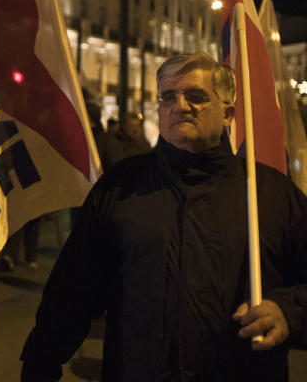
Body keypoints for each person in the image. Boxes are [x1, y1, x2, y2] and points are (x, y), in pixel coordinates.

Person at [21, 51, 307, 380]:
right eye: (168, 96)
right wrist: (42, 360)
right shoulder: (121, 188)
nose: (180, 106)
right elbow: (73, 288)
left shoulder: (270, 193)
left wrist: (288, 312)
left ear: (228, 113)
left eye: (196, 96)